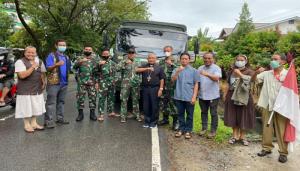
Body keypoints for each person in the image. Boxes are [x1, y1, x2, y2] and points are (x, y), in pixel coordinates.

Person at [253, 53, 289, 163]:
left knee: (281, 129)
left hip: (282, 106)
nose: (272, 60)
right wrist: (256, 72)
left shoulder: (287, 75)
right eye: (272, 59)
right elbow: (254, 80)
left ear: (282, 62)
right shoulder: (267, 73)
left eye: (275, 59)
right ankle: (266, 148)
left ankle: (283, 152)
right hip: (267, 103)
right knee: (266, 127)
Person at [224, 55, 255, 146]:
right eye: (238, 60)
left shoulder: (250, 72)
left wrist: (240, 74)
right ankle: (234, 136)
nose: (239, 61)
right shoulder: (231, 71)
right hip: (232, 95)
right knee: (233, 115)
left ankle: (242, 137)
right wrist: (225, 95)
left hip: (244, 96)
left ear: (246, 61)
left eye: (242, 60)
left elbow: (250, 82)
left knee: (243, 116)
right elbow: (228, 83)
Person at [14, 46, 46, 133]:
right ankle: (27, 125)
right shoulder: (20, 62)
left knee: (36, 107)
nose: (30, 54)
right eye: (28, 52)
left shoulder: (39, 61)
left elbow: (42, 73)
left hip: (37, 88)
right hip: (25, 89)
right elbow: (22, 75)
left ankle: (34, 123)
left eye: (33, 52)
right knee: (26, 108)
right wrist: (32, 67)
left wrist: (43, 82)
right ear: (25, 53)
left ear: (35, 53)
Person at [44, 39, 71, 128]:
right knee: (50, 102)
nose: (63, 46)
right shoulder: (51, 56)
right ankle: (48, 121)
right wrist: (56, 64)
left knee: (61, 102)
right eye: (61, 45)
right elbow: (47, 69)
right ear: (56, 46)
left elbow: (68, 70)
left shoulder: (66, 57)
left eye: (64, 45)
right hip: (53, 83)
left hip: (64, 83)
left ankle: (60, 118)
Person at [172, 53, 199, 139]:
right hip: (179, 96)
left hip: (189, 96)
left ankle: (188, 130)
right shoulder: (176, 69)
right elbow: (173, 80)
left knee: (190, 115)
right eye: (182, 59)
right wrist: (178, 72)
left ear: (189, 60)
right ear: (180, 60)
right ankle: (181, 129)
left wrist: (194, 97)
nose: (184, 60)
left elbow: (196, 84)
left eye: (186, 59)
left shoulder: (194, 71)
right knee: (180, 114)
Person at [136, 53, 165, 128]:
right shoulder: (144, 66)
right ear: (147, 59)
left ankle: (153, 122)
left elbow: (162, 79)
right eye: (150, 58)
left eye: (153, 58)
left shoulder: (159, 67)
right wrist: (147, 69)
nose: (151, 59)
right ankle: (147, 121)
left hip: (155, 88)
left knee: (154, 105)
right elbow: (136, 69)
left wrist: (161, 89)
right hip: (145, 88)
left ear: (155, 59)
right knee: (146, 105)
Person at [198, 52, 222, 138]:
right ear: (203, 59)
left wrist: (207, 74)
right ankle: (204, 128)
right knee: (203, 112)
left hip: (213, 95)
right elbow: (198, 81)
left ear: (213, 59)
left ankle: (213, 130)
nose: (207, 60)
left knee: (213, 113)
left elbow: (216, 78)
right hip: (202, 95)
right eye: (205, 58)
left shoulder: (216, 68)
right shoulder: (200, 68)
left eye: (209, 58)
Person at [73, 45, 98, 122]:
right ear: (84, 50)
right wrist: (79, 63)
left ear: (92, 51)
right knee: (80, 98)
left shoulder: (95, 59)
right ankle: (80, 114)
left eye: (89, 49)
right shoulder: (79, 58)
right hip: (82, 82)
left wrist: (97, 82)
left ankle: (92, 114)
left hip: (92, 82)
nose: (87, 50)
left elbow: (98, 71)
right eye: (86, 49)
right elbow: (74, 68)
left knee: (93, 98)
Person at [117, 48, 142, 123]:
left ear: (135, 54)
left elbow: (139, 72)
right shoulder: (123, 61)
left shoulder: (138, 61)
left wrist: (140, 81)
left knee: (135, 100)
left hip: (135, 83)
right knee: (124, 100)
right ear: (128, 54)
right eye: (130, 53)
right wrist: (125, 63)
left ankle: (136, 115)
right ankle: (123, 116)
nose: (131, 54)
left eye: (133, 53)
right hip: (125, 83)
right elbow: (117, 68)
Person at [158, 46, 179, 130]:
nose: (167, 52)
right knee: (163, 103)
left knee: (173, 104)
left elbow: (180, 69)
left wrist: (172, 64)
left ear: (171, 51)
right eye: (165, 51)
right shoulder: (161, 61)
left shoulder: (176, 60)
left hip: (172, 86)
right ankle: (165, 119)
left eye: (168, 51)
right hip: (163, 85)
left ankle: (175, 122)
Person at [95, 49, 117, 121]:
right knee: (102, 99)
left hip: (112, 84)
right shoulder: (99, 63)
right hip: (102, 83)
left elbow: (116, 73)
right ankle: (101, 114)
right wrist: (98, 65)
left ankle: (110, 112)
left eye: (107, 54)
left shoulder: (113, 63)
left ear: (109, 55)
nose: (105, 55)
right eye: (104, 54)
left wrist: (115, 80)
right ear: (102, 55)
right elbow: (94, 73)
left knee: (111, 98)